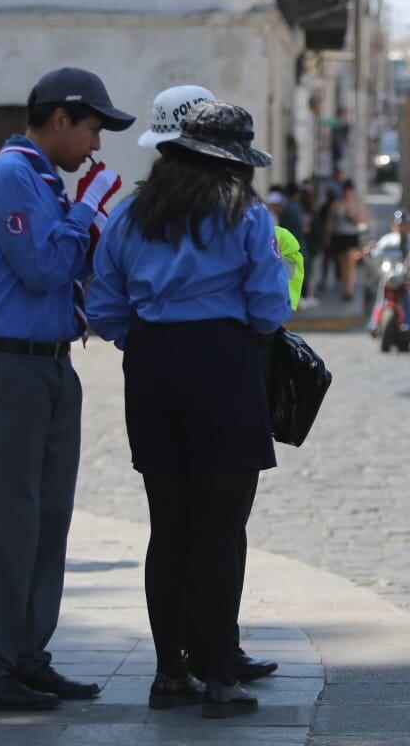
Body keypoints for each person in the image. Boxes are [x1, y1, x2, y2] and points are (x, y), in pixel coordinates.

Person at [86, 100, 291, 719]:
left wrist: (149, 338)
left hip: (152, 369)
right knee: (220, 532)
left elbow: (102, 310)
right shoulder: (246, 216)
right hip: (223, 368)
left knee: (168, 529)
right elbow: (268, 310)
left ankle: (169, 674)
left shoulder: (129, 217)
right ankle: (222, 680)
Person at [0, 67, 135, 712]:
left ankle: (26, 656)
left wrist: (84, 216)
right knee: (7, 522)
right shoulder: (10, 174)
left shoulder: (42, 182)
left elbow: (74, 265)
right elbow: (46, 266)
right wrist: (88, 207)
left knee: (45, 523)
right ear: (60, 119)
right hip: (10, 364)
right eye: (92, 128)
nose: (96, 146)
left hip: (49, 363)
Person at [369, 209, 410, 333]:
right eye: (398, 225)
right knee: (380, 292)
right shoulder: (387, 240)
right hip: (392, 275)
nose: (401, 228)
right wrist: (369, 250)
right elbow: (376, 252)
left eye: (404, 225)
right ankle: (374, 323)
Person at [323, 179, 366, 300]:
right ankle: (344, 285)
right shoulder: (336, 205)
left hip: (351, 236)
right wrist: (327, 238)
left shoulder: (357, 205)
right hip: (339, 235)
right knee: (342, 264)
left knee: (351, 263)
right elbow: (329, 222)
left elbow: (362, 220)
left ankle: (349, 290)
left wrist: (351, 216)